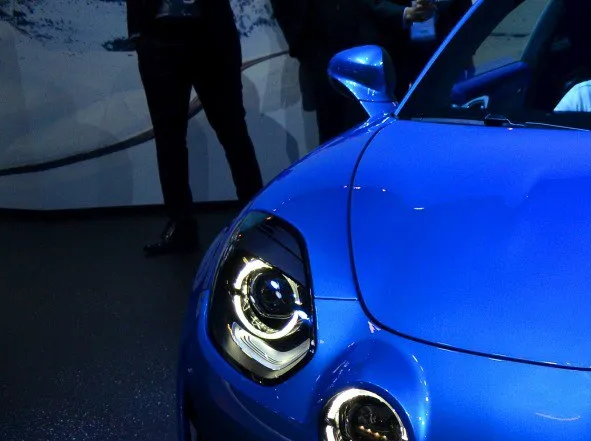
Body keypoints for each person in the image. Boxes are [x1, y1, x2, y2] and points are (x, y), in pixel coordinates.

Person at [129, 0, 265, 256]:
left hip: (211, 34)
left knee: (233, 130)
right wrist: (139, 33)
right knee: (168, 137)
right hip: (158, 37)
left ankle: (256, 221)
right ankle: (181, 226)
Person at [272, 0, 439, 143]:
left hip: (375, 64)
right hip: (329, 71)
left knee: (385, 139)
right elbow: (292, 18)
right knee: (340, 144)